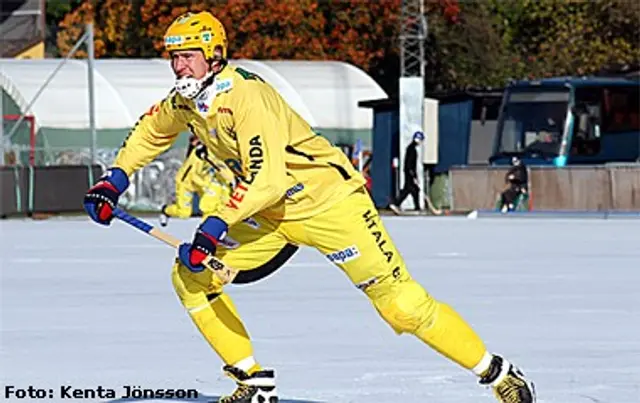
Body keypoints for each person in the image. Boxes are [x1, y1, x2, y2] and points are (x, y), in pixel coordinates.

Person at [83, 11, 536, 403]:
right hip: (271, 214)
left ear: (214, 55)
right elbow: (149, 133)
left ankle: (498, 374)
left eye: (188, 55)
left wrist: (213, 226)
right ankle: (252, 380)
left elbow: (267, 177)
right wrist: (113, 180)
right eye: (174, 56)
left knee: (401, 307)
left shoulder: (246, 96)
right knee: (191, 277)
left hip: (330, 205)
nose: (179, 65)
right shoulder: (186, 101)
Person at [159, 135, 227, 227]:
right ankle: (165, 210)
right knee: (184, 213)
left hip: (201, 182)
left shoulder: (212, 152)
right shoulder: (198, 155)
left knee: (210, 205)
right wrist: (206, 186)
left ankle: (207, 228)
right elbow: (193, 176)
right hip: (187, 184)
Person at [389, 131, 423, 214]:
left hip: (409, 173)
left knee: (413, 190)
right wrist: (413, 175)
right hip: (409, 173)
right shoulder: (412, 150)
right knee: (409, 190)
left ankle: (416, 207)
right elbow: (410, 164)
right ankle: (396, 203)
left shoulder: (411, 148)